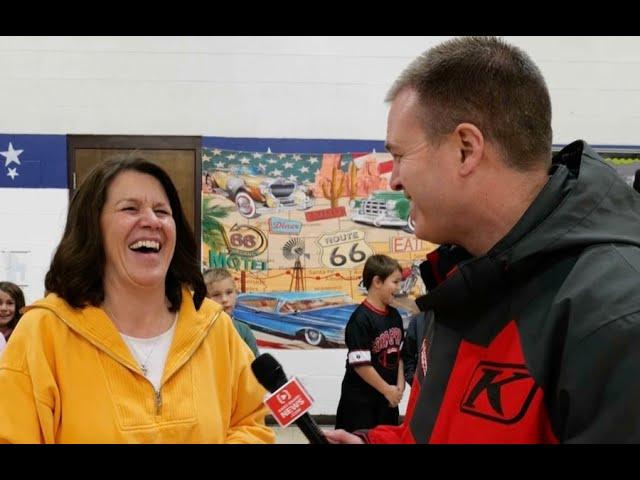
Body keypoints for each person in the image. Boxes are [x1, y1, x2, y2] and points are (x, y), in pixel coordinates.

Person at [326, 36, 640, 444]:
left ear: (466, 149)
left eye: (400, 155)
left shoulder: (615, 315)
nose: (394, 179)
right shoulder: (460, 281)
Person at [0, 156, 275, 444]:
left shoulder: (214, 327)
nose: (151, 221)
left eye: (162, 211)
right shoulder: (43, 333)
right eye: (130, 208)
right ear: (92, 227)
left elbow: (250, 424)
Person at [334, 254, 405, 432]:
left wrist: (398, 387)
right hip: (360, 403)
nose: (399, 287)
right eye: (395, 282)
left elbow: (400, 355)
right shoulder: (360, 319)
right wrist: (387, 390)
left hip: (387, 401)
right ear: (377, 282)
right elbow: (361, 365)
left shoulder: (395, 315)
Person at [203, 267, 259, 357]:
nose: (224, 299)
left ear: (236, 293)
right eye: (216, 295)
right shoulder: (200, 330)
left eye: (229, 292)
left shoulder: (244, 331)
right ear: (204, 298)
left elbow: (255, 364)